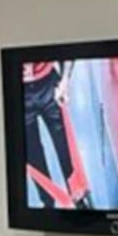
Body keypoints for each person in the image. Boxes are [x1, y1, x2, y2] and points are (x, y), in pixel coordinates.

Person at [22, 60, 91, 209]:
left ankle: (78, 196)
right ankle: (48, 202)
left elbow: (67, 52)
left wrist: (65, 81)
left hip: (48, 85)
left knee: (65, 146)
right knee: (32, 154)